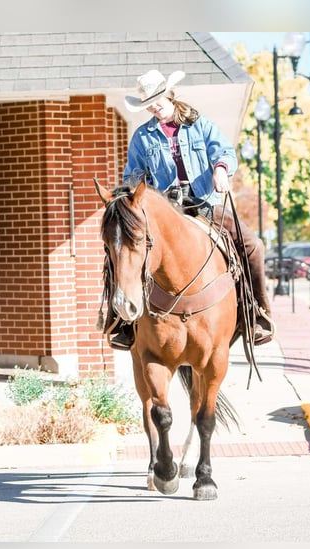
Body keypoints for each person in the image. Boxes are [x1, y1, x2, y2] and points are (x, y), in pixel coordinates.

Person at [108, 68, 275, 350]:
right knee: (121, 244)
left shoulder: (199, 124)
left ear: (169, 95)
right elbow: (133, 175)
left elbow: (223, 151)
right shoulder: (142, 137)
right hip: (167, 211)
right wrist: (130, 196)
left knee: (253, 245)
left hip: (205, 204)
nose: (155, 105)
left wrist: (221, 170)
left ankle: (256, 314)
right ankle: (121, 321)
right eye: (149, 102)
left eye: (158, 98)